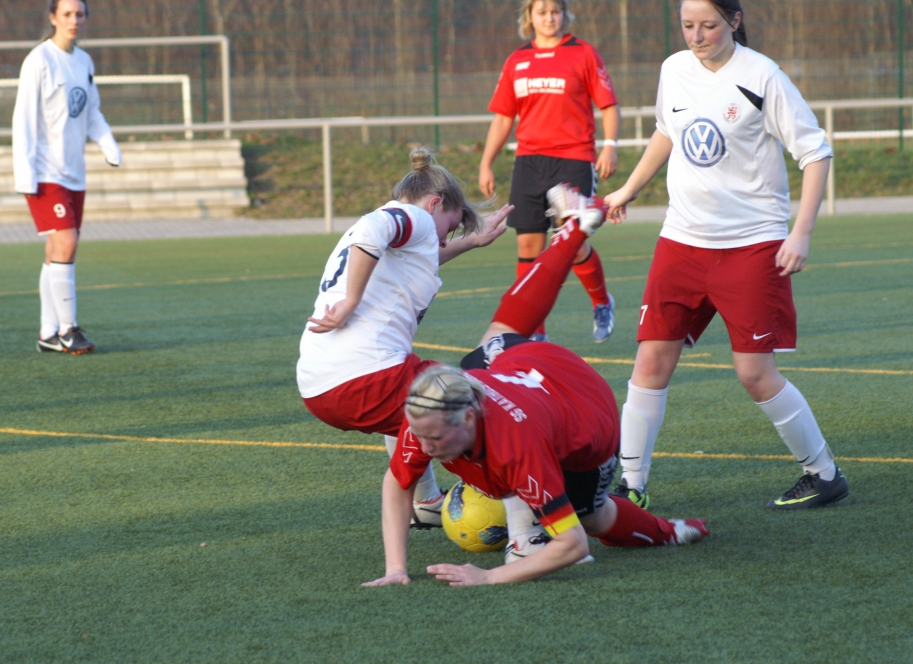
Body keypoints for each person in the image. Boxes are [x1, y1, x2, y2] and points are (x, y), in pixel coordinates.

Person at [363, 194, 709, 587]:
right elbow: (398, 481)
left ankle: (668, 531)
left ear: (470, 416)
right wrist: (395, 569)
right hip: (526, 369)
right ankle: (573, 231)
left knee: (589, 514)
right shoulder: (430, 409)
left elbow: (575, 545)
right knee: (496, 337)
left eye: (435, 438)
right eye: (420, 435)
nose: (424, 447)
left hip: (585, 404)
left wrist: (489, 577)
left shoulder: (517, 447)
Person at [602, 0, 847, 510]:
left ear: (734, 20)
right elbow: (667, 132)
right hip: (682, 242)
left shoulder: (763, 76)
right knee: (650, 359)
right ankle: (631, 486)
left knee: (754, 373)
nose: (698, 36)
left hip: (752, 246)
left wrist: (799, 233)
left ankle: (823, 473)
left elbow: (815, 152)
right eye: (688, 25)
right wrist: (627, 189)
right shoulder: (673, 69)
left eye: (709, 25)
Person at [297, 146, 511, 527]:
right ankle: (526, 515)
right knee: (476, 404)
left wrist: (473, 241)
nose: (446, 239)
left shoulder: (404, 225)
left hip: (320, 387)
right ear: (433, 204)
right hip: (361, 378)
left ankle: (427, 501)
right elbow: (374, 234)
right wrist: (351, 301)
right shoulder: (412, 217)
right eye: (451, 226)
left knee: (414, 403)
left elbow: (418, 251)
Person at [478, 0, 621, 343]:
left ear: (564, 14)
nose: (549, 17)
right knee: (528, 246)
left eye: (554, 11)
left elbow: (609, 105)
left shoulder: (583, 53)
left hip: (572, 159)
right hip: (529, 162)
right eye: (541, 11)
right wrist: (486, 162)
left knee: (569, 241)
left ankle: (602, 302)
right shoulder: (517, 60)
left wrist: (610, 145)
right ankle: (533, 332)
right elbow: (503, 118)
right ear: (530, 17)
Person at [13, 0, 121, 355]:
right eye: (67, 14)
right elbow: (23, 120)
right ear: (53, 18)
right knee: (67, 242)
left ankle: (47, 334)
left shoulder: (84, 61)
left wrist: (107, 142)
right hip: (45, 172)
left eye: (80, 14)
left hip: (75, 174)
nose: (74, 20)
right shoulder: (39, 61)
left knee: (56, 248)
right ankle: (68, 329)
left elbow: (91, 112)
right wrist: (25, 174)